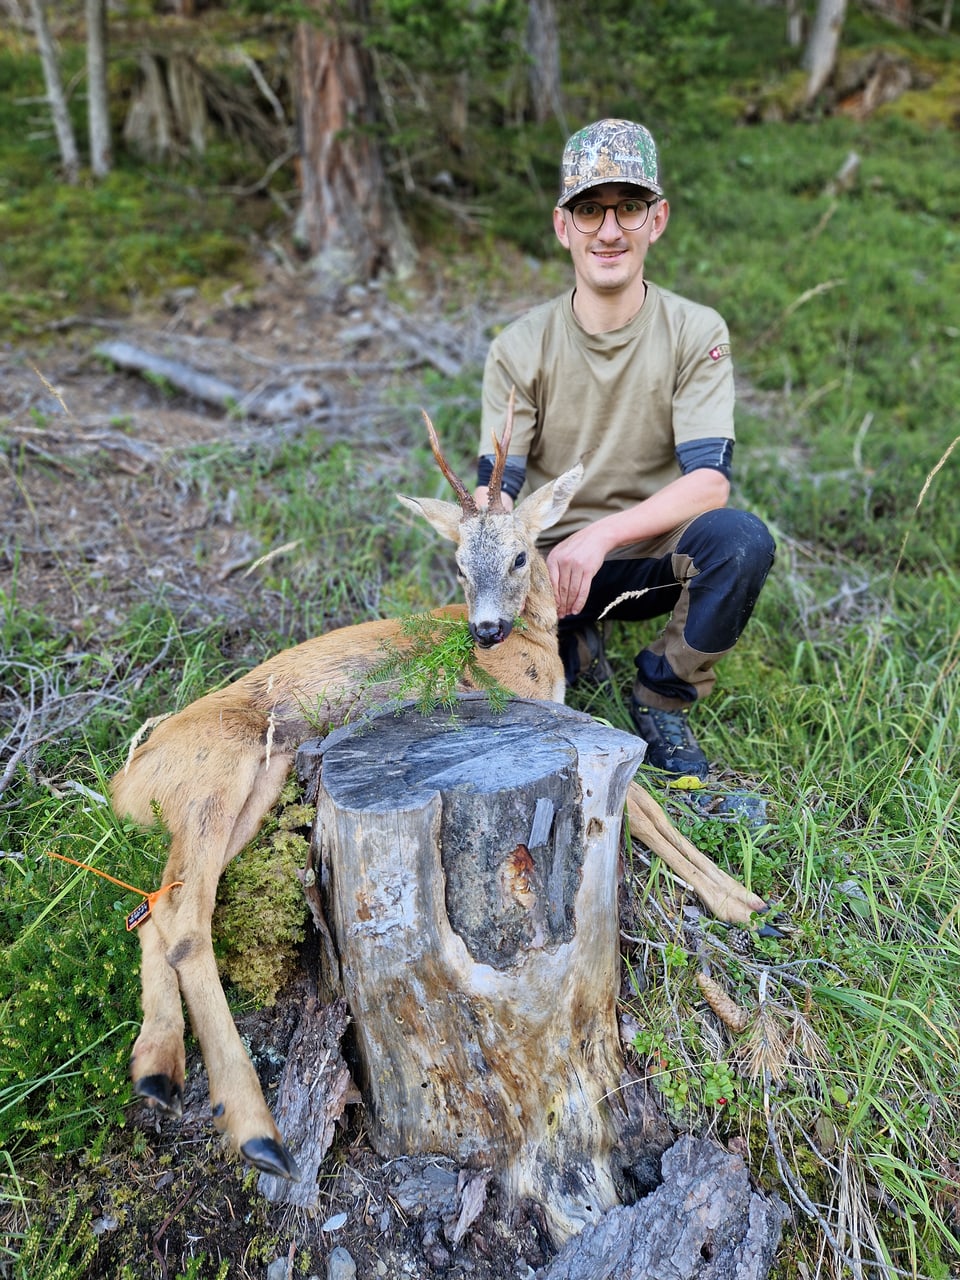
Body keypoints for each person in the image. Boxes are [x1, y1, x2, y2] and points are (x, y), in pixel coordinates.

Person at [474, 118, 775, 782]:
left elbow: (709, 484)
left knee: (742, 540)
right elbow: (498, 484)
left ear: (656, 219)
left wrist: (602, 535)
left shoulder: (695, 331)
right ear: (563, 226)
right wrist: (493, 541)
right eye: (589, 210)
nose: (608, 231)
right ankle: (572, 639)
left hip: (649, 558)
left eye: (628, 207)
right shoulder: (521, 346)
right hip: (551, 571)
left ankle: (663, 693)